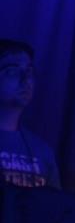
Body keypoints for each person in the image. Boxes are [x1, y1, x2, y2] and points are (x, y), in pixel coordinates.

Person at [0, 39, 60, 189]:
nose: (25, 79)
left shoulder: (43, 152)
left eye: (29, 71)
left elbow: (55, 202)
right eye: (12, 71)